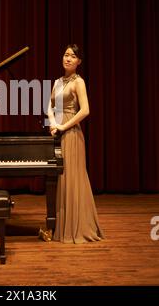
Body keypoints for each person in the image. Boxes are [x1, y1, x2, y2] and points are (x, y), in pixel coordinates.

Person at [47, 44, 104, 243]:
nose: (68, 58)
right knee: (61, 180)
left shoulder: (78, 82)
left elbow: (85, 110)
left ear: (79, 61)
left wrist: (63, 126)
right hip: (59, 133)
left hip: (72, 134)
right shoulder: (57, 82)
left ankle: (77, 226)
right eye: (65, 55)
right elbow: (50, 106)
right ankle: (61, 226)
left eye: (72, 56)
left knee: (72, 179)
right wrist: (53, 123)